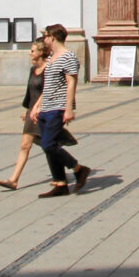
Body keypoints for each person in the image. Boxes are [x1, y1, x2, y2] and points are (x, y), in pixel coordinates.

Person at [0, 40, 72, 191]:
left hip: (44, 110)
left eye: (32, 51)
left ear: (40, 53)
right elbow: (29, 91)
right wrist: (27, 109)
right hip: (32, 111)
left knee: (47, 145)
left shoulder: (48, 69)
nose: (29, 53)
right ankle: (14, 179)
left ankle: (65, 172)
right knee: (28, 145)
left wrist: (38, 108)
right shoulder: (33, 70)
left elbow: (49, 91)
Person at [35, 23, 90, 197]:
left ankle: (78, 168)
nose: (44, 40)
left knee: (48, 144)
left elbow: (71, 82)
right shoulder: (51, 56)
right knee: (50, 146)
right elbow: (48, 85)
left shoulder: (68, 57)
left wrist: (68, 109)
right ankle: (60, 183)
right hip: (46, 107)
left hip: (58, 107)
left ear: (53, 37)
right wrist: (37, 106)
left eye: (46, 36)